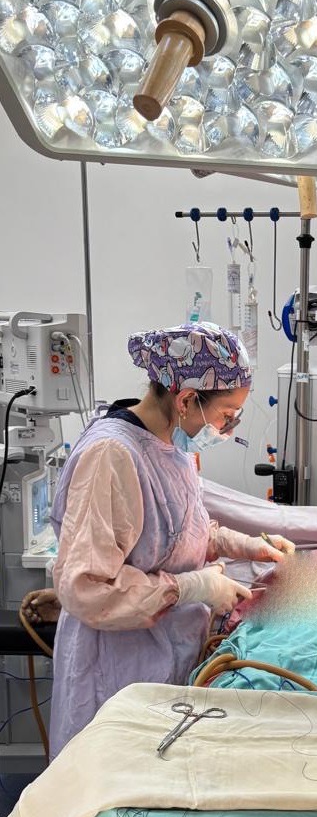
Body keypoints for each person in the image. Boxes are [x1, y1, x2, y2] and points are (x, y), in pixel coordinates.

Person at [48, 322, 295, 757]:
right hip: (117, 675)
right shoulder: (111, 456)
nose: (228, 427)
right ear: (185, 400)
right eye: (226, 414)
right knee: (121, 787)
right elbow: (87, 588)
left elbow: (174, 534)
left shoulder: (168, 447)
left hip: (165, 658)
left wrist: (247, 545)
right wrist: (191, 588)